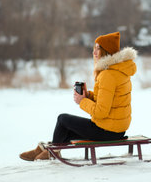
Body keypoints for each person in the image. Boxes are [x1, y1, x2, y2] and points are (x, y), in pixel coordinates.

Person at [20, 31, 137, 161]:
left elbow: (101, 111)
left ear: (106, 51)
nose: (94, 52)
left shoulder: (107, 75)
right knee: (65, 130)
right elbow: (111, 101)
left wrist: (82, 101)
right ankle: (48, 149)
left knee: (62, 119)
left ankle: (52, 152)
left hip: (108, 130)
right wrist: (87, 95)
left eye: (98, 48)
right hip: (117, 129)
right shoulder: (119, 71)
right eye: (94, 48)